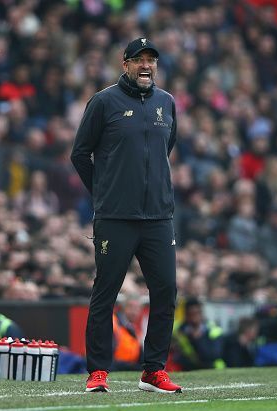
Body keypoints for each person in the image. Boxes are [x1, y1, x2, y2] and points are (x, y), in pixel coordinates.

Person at [71, 38, 182, 393]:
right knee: (106, 292)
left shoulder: (167, 103)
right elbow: (80, 153)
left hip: (159, 218)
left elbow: (168, 147)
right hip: (115, 217)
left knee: (166, 291)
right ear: (125, 64)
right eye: (139, 60)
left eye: (151, 59)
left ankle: (153, 370)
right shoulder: (103, 101)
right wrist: (104, 194)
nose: (146, 65)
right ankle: (98, 371)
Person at [170, 298, 225, 371]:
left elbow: (214, 355)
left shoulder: (214, 330)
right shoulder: (179, 331)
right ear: (186, 315)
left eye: (197, 313)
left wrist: (198, 339)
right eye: (191, 314)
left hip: (214, 368)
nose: (194, 318)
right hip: (189, 369)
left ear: (201, 313)